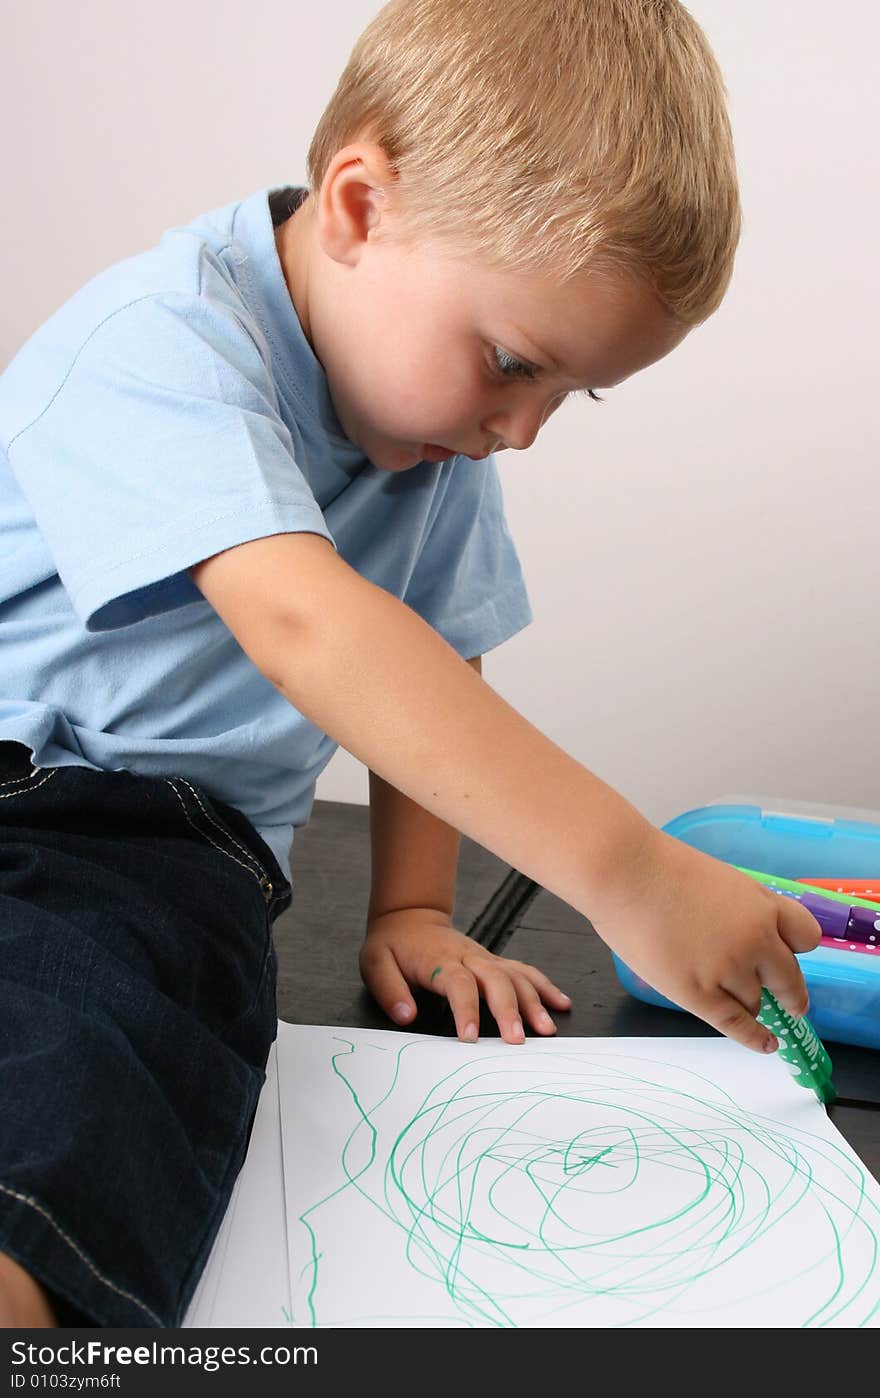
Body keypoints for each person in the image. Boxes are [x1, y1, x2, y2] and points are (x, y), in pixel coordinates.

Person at [0, 0, 820, 1328]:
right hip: (51, 799)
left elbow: (431, 662)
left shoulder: (432, 442)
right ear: (361, 207)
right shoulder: (161, 347)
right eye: (512, 365)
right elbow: (315, 627)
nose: (523, 432)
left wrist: (412, 910)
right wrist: (631, 872)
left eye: (569, 395)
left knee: (103, 1069)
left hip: (159, 872)